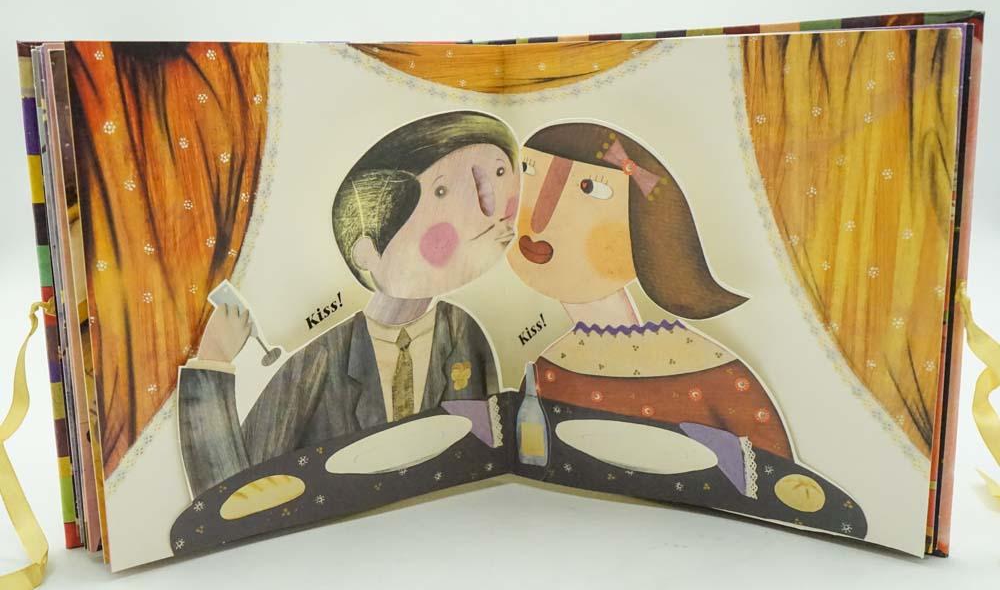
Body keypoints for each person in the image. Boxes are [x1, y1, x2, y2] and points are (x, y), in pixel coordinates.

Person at [507, 122, 861, 524]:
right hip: (575, 520)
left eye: (590, 189)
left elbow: (780, 488)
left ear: (649, 229)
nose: (538, 221)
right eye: (527, 173)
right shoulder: (547, 369)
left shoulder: (711, 372)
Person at [178, 111, 519, 495]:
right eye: (441, 193)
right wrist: (213, 360)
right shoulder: (321, 361)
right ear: (367, 251)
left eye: (497, 176)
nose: (486, 208)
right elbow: (230, 496)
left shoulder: (464, 333)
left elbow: (489, 449)